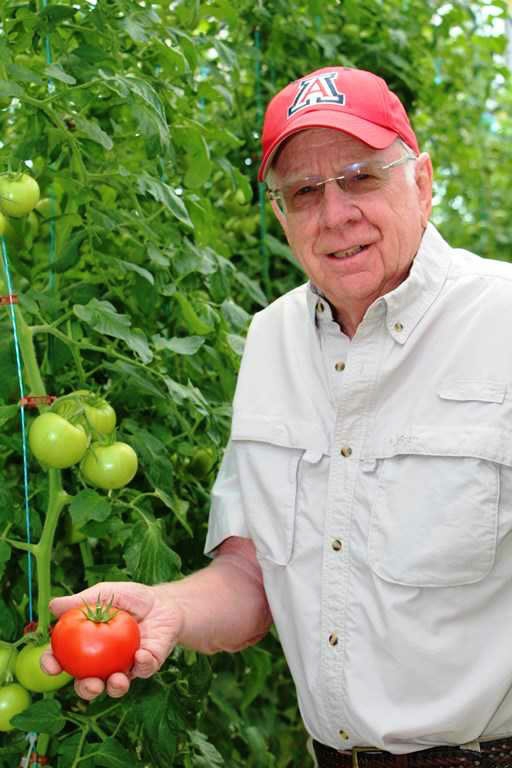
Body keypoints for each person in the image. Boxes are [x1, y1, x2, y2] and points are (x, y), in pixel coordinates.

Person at [43, 66, 512, 768]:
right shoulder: (271, 340)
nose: (335, 214)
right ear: (281, 216)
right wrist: (169, 608)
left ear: (422, 180)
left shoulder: (500, 320)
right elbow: (254, 573)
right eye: (303, 192)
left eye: (360, 176)